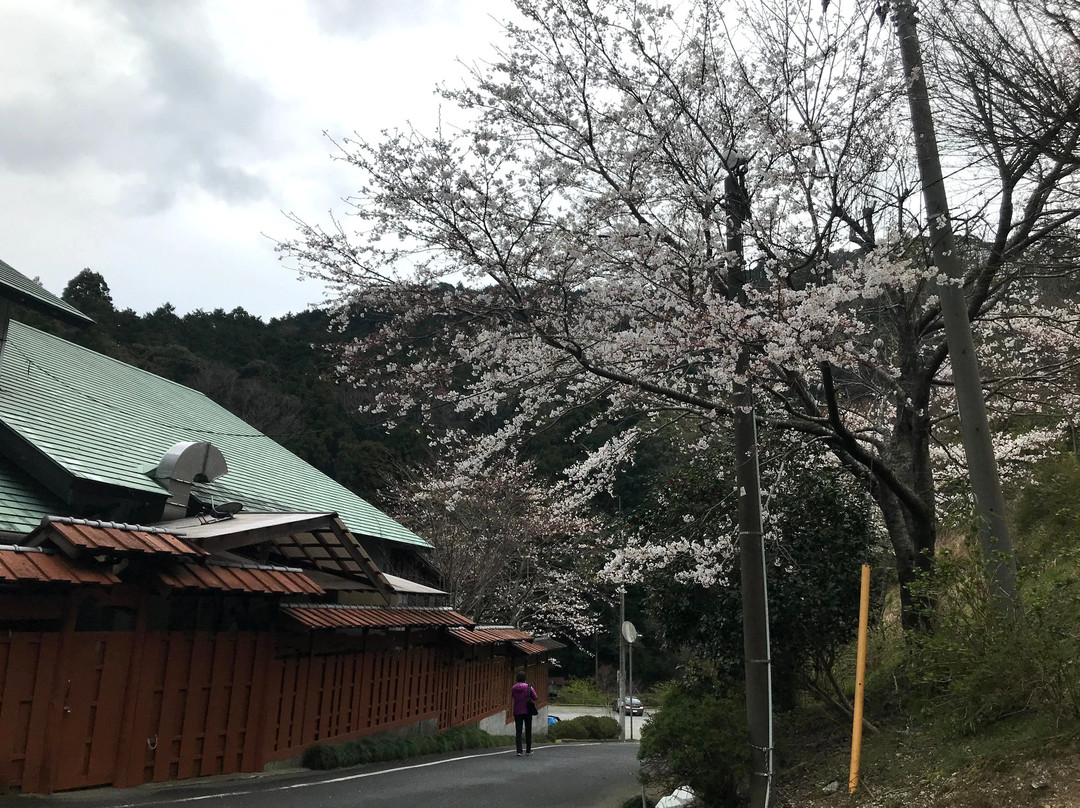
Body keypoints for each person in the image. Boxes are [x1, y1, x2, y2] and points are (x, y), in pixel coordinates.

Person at [511, 671, 538, 757]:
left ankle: (519, 751)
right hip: (527, 711)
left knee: (518, 731)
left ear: (517, 679)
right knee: (528, 730)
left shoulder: (513, 688)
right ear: (525, 679)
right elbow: (535, 697)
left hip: (517, 711)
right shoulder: (529, 687)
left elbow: (513, 696)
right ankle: (528, 750)